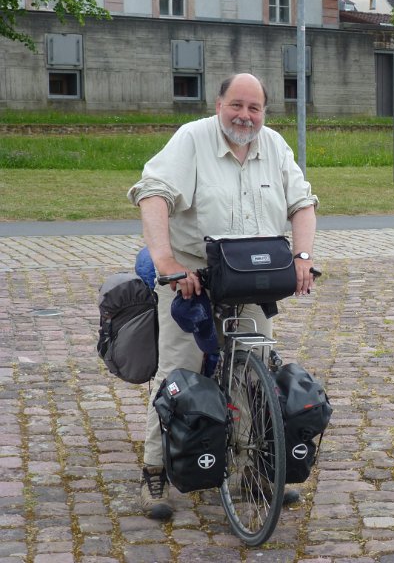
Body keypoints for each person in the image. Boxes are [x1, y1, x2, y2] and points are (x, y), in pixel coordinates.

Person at [127, 72, 318, 520]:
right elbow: (153, 195)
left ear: (264, 111)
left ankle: (248, 470)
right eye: (237, 105)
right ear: (219, 104)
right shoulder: (191, 140)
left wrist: (303, 256)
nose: (245, 116)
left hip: (253, 277)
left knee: (255, 376)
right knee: (181, 372)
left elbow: (302, 202)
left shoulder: (273, 145)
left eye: (254, 108)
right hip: (193, 276)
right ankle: (155, 470)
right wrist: (168, 265)